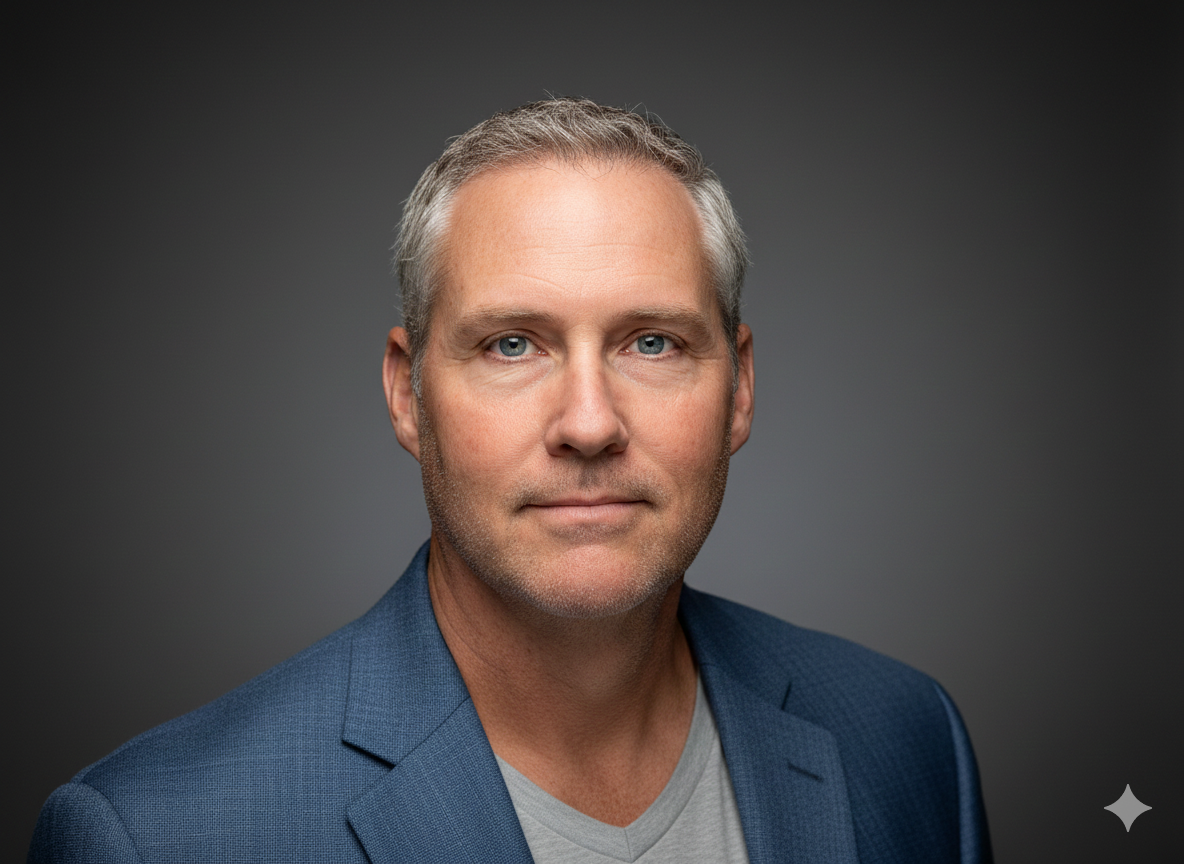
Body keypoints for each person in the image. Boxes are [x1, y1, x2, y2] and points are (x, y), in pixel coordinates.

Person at [29, 98, 991, 863]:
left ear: (739, 388)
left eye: (652, 342)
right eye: (512, 344)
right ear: (408, 395)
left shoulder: (904, 738)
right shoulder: (154, 836)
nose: (587, 424)